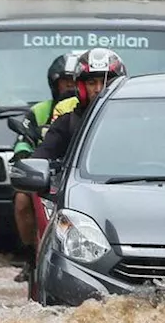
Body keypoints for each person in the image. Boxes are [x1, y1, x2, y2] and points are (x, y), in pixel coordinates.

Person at [11, 47, 127, 280]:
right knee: (23, 198)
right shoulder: (66, 123)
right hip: (77, 196)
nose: (99, 89)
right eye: (91, 83)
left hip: (127, 194)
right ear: (81, 87)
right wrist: (28, 169)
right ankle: (32, 260)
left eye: (105, 82)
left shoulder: (139, 121)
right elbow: (39, 157)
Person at [10, 53, 78, 279]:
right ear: (54, 84)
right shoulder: (40, 111)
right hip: (45, 176)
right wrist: (25, 157)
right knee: (21, 200)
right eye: (64, 82)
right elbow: (24, 142)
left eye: (73, 81)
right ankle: (31, 258)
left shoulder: (97, 111)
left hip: (82, 176)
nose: (69, 87)